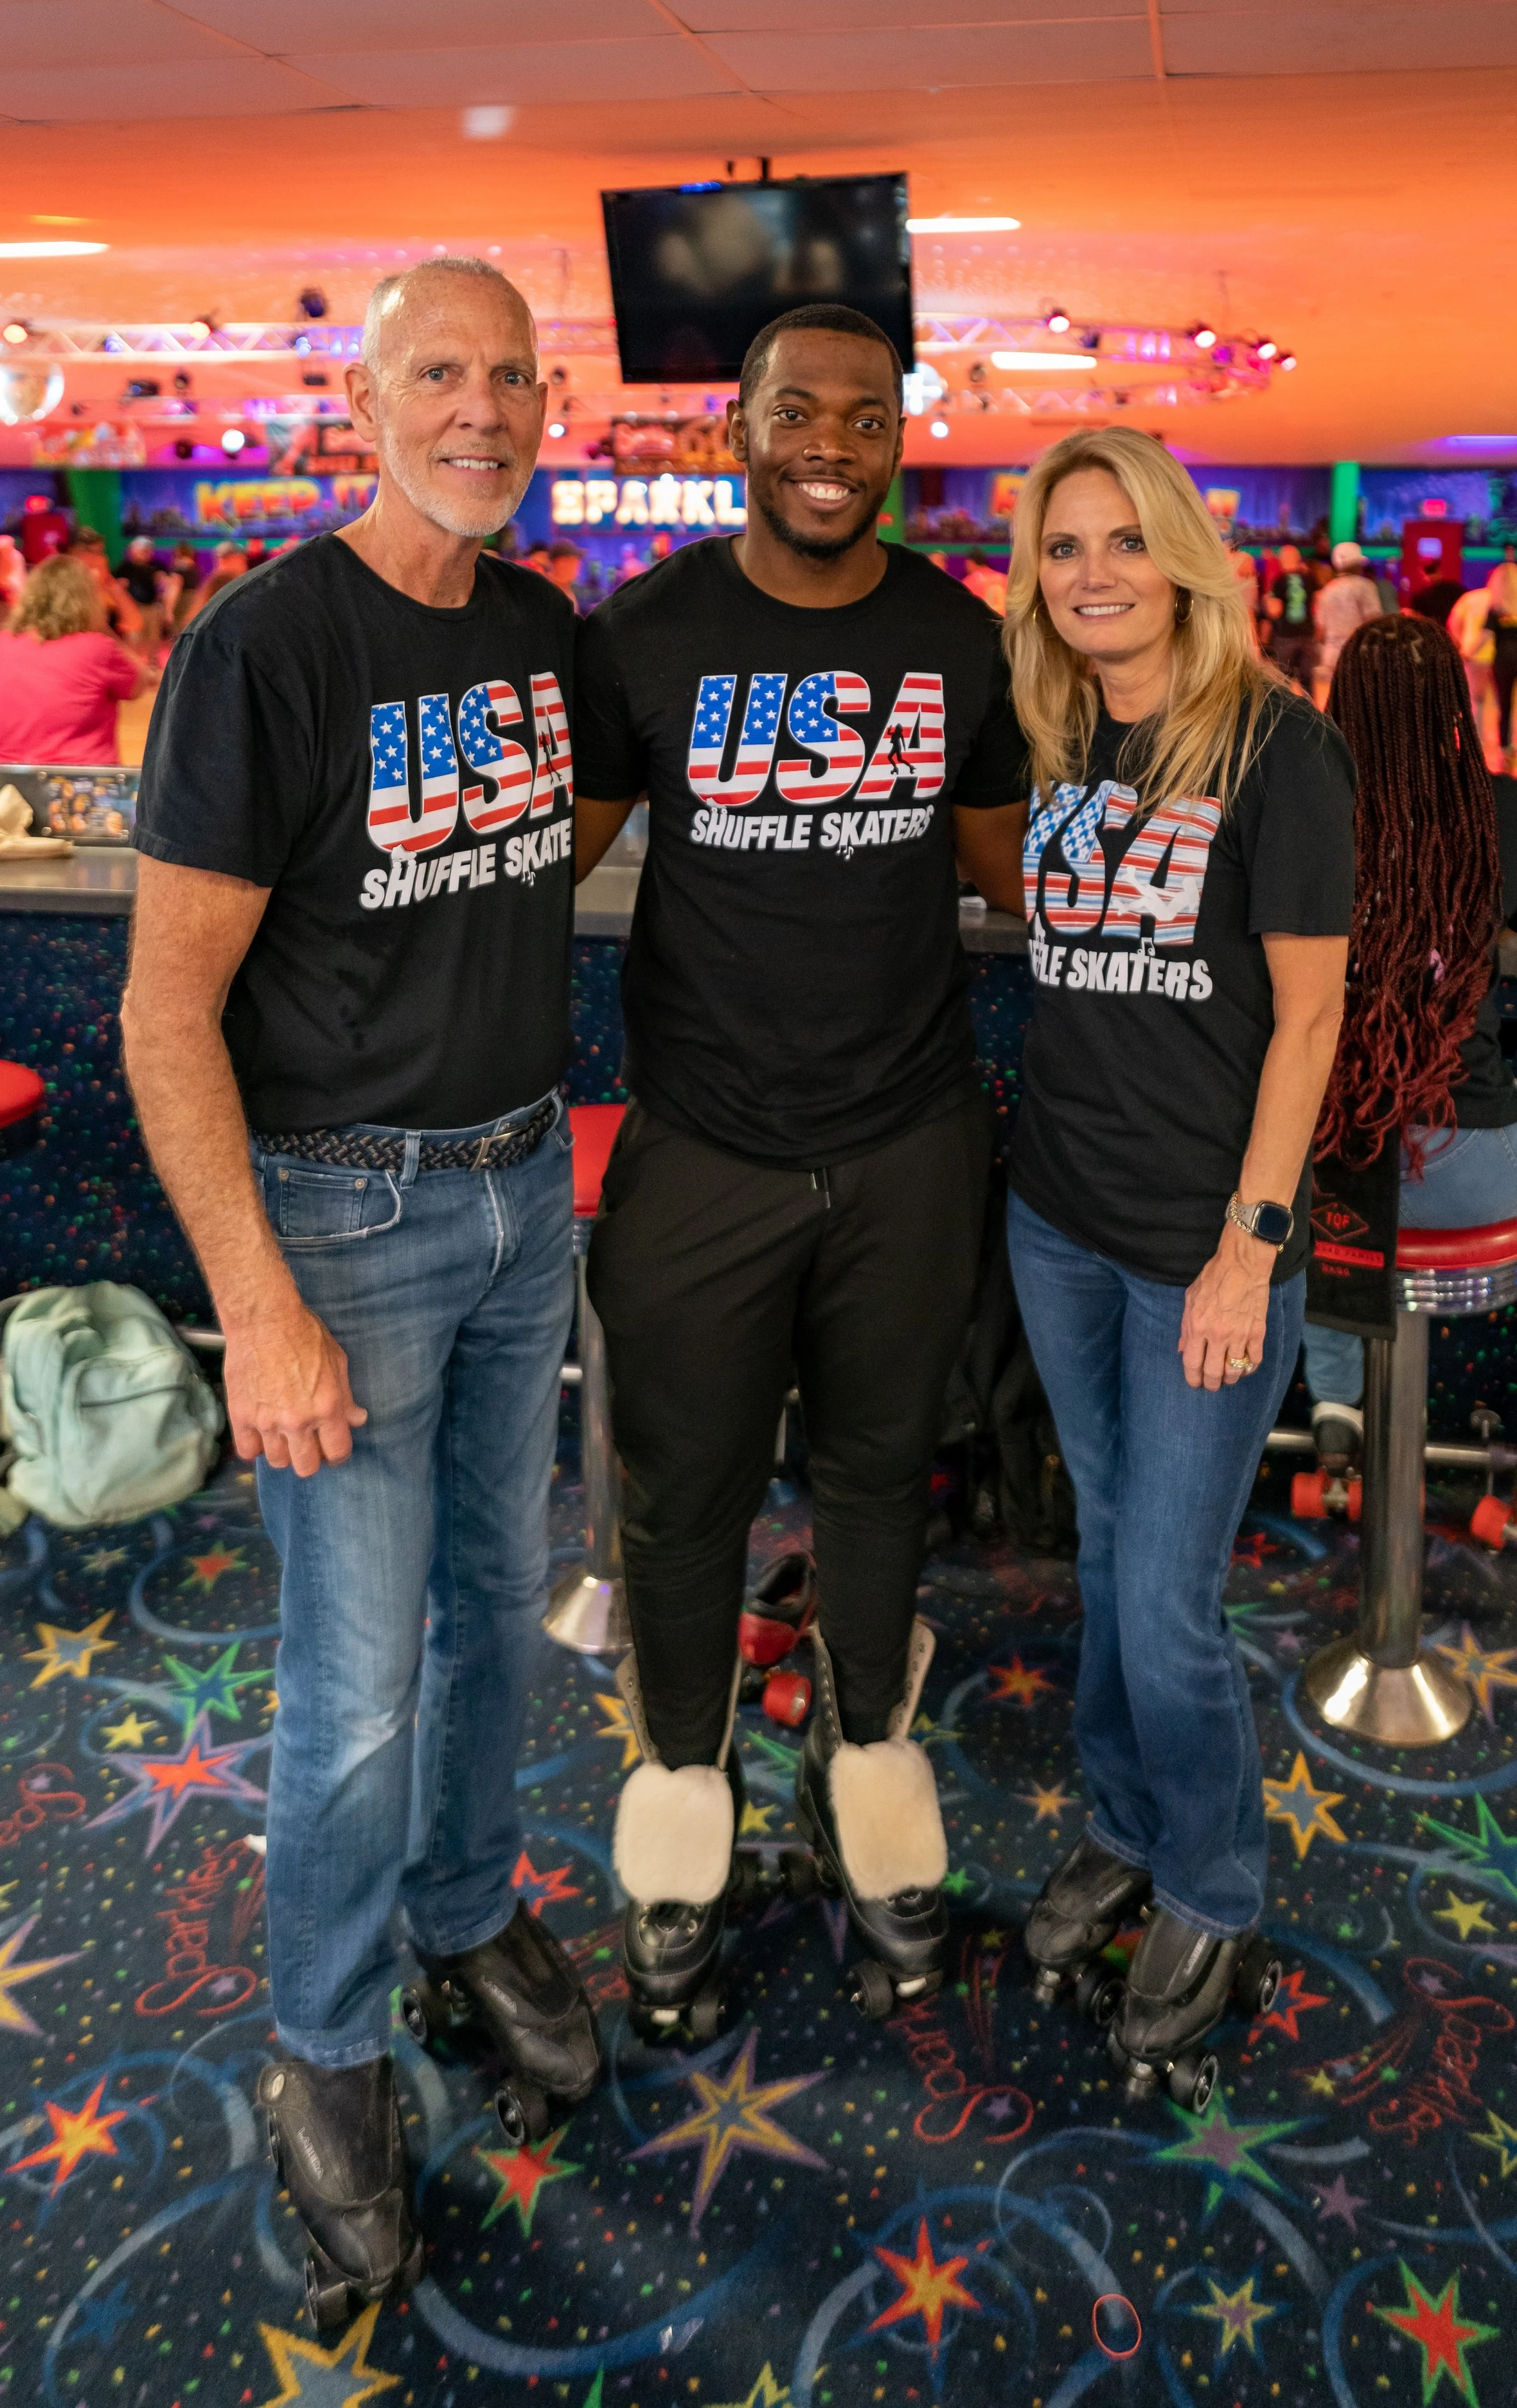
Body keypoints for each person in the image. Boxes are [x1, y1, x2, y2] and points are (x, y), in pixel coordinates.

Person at [121, 256, 599, 2328]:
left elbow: (532, 848)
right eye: (439, 372)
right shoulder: (263, 642)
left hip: (521, 1193)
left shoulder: (531, 624)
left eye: (510, 374)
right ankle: (323, 2036)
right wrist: (262, 1296)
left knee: (500, 1609)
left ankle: (469, 1906)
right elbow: (163, 1009)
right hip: (348, 1221)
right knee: (356, 1679)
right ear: (363, 396)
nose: (480, 408)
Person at [572, 303, 1030, 2032]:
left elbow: (1008, 870)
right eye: (793, 411)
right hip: (701, 1148)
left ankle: (870, 1779)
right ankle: (680, 1815)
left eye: (862, 414)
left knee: (871, 1482)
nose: (827, 443)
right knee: (679, 1503)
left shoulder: (954, 637)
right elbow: (546, 864)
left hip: (907, 1142)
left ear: (898, 435)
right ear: (737, 430)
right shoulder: (650, 631)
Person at [1002, 427, 1354, 2101]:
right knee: (1101, 1561)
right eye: (1062, 546)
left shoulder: (1276, 746)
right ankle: (1123, 1824)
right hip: (1055, 1219)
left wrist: (1246, 1249)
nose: (1091, 573)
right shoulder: (1063, 727)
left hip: (1197, 1255)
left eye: (1120, 541)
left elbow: (1308, 1021)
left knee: (1164, 1595)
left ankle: (1212, 1883)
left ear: (1182, 556)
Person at [1302, 616, 1516, 1459]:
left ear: (1339, 702)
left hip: (1341, 1161)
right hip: (1476, 1166)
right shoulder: (1503, 810)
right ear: (1459, 701)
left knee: (1307, 1152)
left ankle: (1337, 1406)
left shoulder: (1304, 805)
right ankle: (1443, 1420)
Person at [0, 554, 149, 764]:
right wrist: (101, 624)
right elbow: (138, 685)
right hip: (82, 786)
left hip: (3, 785)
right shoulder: (98, 649)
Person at [1313, 539, 1382, 704]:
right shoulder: (1365, 587)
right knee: (1359, 704)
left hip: (1331, 655)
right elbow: (1374, 623)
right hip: (1358, 654)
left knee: (1334, 703)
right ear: (1358, 564)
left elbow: (1320, 632)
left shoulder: (1327, 590)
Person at [1449, 572, 1498, 754]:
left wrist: (1462, 643)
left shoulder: (1470, 598)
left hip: (1473, 656)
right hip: (1499, 655)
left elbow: (1454, 622)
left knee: (1476, 701)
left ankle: (1476, 740)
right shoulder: (1505, 599)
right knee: (1502, 701)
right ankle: (1500, 742)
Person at [1263, 543, 1317, 695]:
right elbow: (1317, 604)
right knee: (1308, 682)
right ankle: (1311, 713)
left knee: (1283, 681)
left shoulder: (1279, 581)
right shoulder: (1310, 578)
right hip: (1308, 635)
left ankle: (1287, 714)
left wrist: (1268, 601)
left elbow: (1275, 611)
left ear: (1282, 560)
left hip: (1286, 636)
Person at [1489, 542, 1517, 770]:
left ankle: (1506, 745)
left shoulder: (1496, 609)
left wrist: (1465, 652)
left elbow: (1485, 635)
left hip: (1504, 659)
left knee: (1504, 704)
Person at [116, 535, 166, 655]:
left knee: (153, 639)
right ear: (134, 550)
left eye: (148, 549)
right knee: (134, 641)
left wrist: (163, 583)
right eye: (143, 549)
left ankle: (151, 665)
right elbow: (116, 586)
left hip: (152, 608)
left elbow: (167, 583)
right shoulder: (126, 567)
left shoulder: (156, 566)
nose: (147, 552)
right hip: (134, 609)